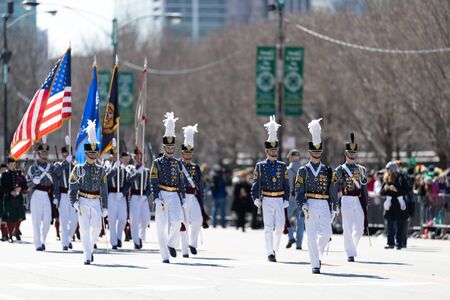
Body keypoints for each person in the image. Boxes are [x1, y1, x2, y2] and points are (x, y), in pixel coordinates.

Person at [295, 118, 337, 274]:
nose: (317, 154)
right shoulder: (303, 171)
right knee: (311, 235)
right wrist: (302, 205)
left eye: (319, 152)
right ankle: (315, 264)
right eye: (314, 152)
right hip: (310, 203)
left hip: (324, 203)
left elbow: (332, 189)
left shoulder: (327, 170)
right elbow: (298, 190)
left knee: (327, 233)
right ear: (310, 152)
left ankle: (318, 254)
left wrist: (335, 206)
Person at [69, 120, 108, 264]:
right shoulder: (77, 169)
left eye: (94, 153)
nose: (92, 156)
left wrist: (105, 207)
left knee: (96, 228)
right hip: (83, 200)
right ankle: (86, 255)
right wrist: (74, 203)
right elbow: (72, 188)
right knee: (84, 229)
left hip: (96, 200)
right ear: (85, 154)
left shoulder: (101, 169)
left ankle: (90, 249)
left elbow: (104, 190)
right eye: (90, 153)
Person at [251, 116, 290, 263]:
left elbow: (286, 184)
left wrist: (286, 199)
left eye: (275, 150)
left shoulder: (282, 166)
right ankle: (269, 252)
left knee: (279, 227)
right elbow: (256, 183)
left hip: (279, 198)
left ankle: (274, 249)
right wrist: (255, 198)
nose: (274, 152)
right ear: (267, 150)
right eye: (271, 150)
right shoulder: (260, 166)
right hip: (267, 198)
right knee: (268, 227)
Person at [150, 112, 186, 263]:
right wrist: (156, 197)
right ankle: (164, 255)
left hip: (174, 195)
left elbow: (181, 181)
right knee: (161, 226)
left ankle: (172, 244)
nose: (170, 149)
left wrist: (183, 196)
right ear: (164, 147)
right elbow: (153, 181)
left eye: (172, 147)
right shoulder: (157, 163)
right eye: (168, 147)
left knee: (178, 221)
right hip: (162, 195)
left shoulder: (178, 163)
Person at [334, 133, 368, 262]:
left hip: (358, 199)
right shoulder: (340, 169)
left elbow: (364, 186)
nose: (352, 155)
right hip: (346, 199)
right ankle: (350, 253)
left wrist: (366, 200)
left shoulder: (362, 169)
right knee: (347, 227)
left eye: (354, 153)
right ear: (346, 154)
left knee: (360, 228)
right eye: (350, 153)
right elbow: (335, 188)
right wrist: (335, 203)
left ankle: (351, 247)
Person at [179, 124, 210, 256]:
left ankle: (192, 244)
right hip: (182, 196)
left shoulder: (195, 167)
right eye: (186, 152)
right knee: (183, 223)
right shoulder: (178, 165)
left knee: (197, 220)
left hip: (193, 197)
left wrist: (201, 199)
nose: (188, 155)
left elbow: (200, 184)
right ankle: (184, 249)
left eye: (190, 152)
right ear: (182, 153)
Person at [27, 137, 57, 251]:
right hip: (36, 195)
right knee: (36, 220)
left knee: (47, 220)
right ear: (39, 154)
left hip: (47, 195)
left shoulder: (51, 167)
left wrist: (65, 163)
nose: (44, 154)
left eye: (46, 152)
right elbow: (27, 184)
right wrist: (34, 182)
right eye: (42, 152)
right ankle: (38, 243)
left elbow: (57, 179)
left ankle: (43, 240)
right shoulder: (33, 168)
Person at [53, 143, 78, 251]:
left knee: (74, 220)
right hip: (63, 195)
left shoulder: (76, 165)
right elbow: (56, 173)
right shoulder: (58, 164)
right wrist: (65, 163)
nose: (66, 155)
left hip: (73, 195)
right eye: (64, 154)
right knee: (64, 220)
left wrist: (71, 163)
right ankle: (65, 243)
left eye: (68, 153)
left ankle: (68, 238)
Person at [380, 161, 408, 250]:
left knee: (400, 225)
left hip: (399, 203)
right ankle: (390, 243)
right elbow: (381, 193)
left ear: (393, 170)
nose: (387, 171)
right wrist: (385, 189)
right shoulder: (386, 178)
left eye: (388, 169)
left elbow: (406, 190)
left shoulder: (401, 177)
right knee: (390, 225)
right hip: (389, 204)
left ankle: (399, 243)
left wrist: (396, 190)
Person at [127, 147, 151, 250]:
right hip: (134, 197)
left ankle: (140, 237)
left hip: (143, 197)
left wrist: (145, 195)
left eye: (141, 157)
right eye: (137, 157)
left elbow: (150, 186)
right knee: (134, 220)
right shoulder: (130, 169)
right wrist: (138, 173)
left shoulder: (147, 171)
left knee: (145, 219)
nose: (139, 159)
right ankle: (136, 241)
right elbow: (129, 180)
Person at [107, 151, 130, 250]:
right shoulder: (107, 168)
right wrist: (113, 169)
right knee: (112, 220)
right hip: (111, 195)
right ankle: (114, 242)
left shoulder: (124, 170)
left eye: (117, 155)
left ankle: (119, 237)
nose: (115, 157)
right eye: (113, 155)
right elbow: (106, 179)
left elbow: (128, 183)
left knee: (122, 218)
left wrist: (123, 193)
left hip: (121, 196)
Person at [1, 158, 27, 243]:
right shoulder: (4, 175)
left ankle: (16, 231)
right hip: (8, 198)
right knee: (9, 218)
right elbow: (2, 187)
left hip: (18, 198)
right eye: (11, 165)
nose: (13, 166)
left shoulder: (18, 174)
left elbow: (24, 185)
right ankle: (9, 236)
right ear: (8, 165)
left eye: (14, 164)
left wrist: (20, 189)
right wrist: (10, 192)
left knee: (18, 216)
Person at [285, 149, 304, 250]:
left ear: (292, 157)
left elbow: (286, 186)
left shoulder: (288, 170)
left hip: (290, 199)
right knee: (300, 222)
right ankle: (299, 244)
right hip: (301, 200)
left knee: (286, 219)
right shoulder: (304, 169)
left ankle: (291, 236)